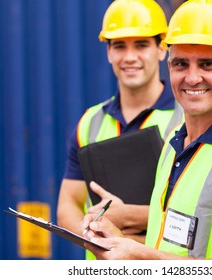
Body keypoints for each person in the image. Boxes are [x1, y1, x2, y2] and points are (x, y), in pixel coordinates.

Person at [82, 0, 212, 260]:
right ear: (169, 68)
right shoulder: (174, 147)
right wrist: (120, 240)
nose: (192, 78)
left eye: (208, 65)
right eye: (181, 64)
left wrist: (141, 256)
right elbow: (176, 247)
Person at [56, 0, 183, 258]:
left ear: (162, 49)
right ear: (109, 52)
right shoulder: (90, 122)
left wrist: (126, 218)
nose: (129, 57)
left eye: (141, 45)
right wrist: (96, 237)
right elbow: (67, 205)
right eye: (119, 46)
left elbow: (198, 216)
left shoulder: (188, 119)